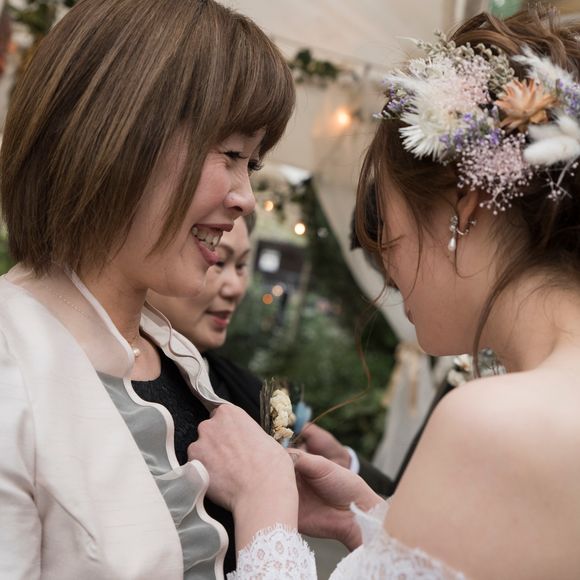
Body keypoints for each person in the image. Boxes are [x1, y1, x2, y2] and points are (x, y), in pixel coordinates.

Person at [188, 6, 580, 578]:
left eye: (388, 228)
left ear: (465, 207)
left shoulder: (497, 418)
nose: (387, 268)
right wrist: (373, 524)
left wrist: (262, 503)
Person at [0, 0, 295, 578]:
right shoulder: (12, 368)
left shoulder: (175, 358)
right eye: (232, 154)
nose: (246, 198)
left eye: (252, 165)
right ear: (117, 136)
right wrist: (269, 507)